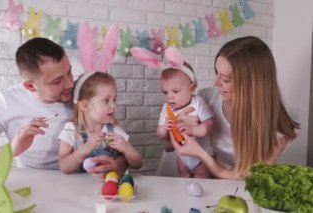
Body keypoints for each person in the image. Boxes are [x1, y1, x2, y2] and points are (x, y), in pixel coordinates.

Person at [0, 38, 127, 177]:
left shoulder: (84, 92)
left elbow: (121, 147)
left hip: (84, 181)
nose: (70, 83)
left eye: (69, 72)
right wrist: (12, 150)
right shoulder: (5, 102)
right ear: (30, 85)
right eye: (57, 81)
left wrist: (116, 168)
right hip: (38, 184)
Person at [168, 36, 299, 179]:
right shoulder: (206, 98)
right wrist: (177, 130)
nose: (215, 83)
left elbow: (245, 179)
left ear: (251, 85)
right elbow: (168, 146)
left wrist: (200, 153)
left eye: (225, 79)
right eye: (216, 73)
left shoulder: (277, 130)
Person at [59, 72, 142, 179]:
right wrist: (85, 148)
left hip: (108, 188)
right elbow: (64, 167)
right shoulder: (71, 130)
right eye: (106, 100)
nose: (113, 105)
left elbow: (138, 164)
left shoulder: (114, 130)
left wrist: (127, 148)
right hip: (78, 190)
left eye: (114, 100)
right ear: (85, 105)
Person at [157, 61, 214, 178]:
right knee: (183, 175)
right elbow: (160, 134)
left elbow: (210, 125)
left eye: (175, 91)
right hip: (183, 156)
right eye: (165, 92)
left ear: (191, 88)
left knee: (201, 176)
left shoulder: (197, 103)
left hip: (202, 156)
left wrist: (193, 130)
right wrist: (164, 128)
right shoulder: (166, 107)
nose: (169, 96)